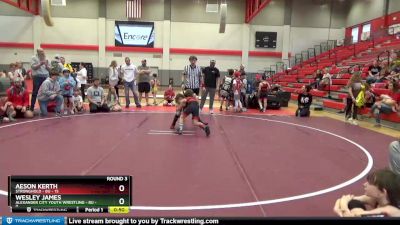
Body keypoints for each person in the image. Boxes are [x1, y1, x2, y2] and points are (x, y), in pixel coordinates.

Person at [333, 168, 400, 217]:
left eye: (370, 183)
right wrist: (342, 202)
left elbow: (352, 216)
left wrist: (343, 208)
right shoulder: (379, 199)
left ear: (383, 192)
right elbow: (349, 199)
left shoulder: (389, 210)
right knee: (353, 203)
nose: (364, 184)